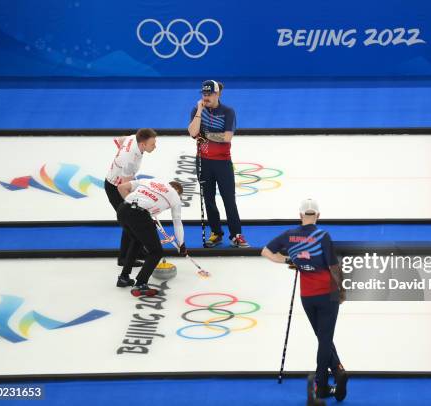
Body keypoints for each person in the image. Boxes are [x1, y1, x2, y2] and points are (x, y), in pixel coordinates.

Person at [261, 199, 348, 405]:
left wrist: (289, 260)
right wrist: (342, 290)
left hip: (307, 296)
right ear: (318, 215)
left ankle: (338, 370)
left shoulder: (289, 235)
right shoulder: (322, 235)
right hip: (327, 293)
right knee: (325, 339)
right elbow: (334, 267)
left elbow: (265, 251)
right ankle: (322, 384)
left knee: (322, 336)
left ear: (300, 215)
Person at [187, 80, 249, 248]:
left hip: (222, 162)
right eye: (204, 94)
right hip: (203, 162)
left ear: (218, 94)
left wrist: (205, 135)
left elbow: (227, 137)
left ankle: (236, 234)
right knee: (208, 200)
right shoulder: (196, 110)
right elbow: (193, 132)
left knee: (229, 199)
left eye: (209, 94)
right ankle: (216, 233)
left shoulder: (228, 112)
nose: (206, 97)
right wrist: (200, 110)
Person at [116, 178, 186, 297]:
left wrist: (137, 210)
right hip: (139, 215)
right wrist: (181, 244)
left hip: (122, 209)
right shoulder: (175, 196)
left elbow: (121, 187)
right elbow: (177, 222)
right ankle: (141, 284)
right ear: (178, 191)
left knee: (137, 241)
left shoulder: (152, 181)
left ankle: (124, 278)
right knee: (156, 252)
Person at [105, 128, 158, 268]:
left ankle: (138, 251)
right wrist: (134, 205)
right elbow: (124, 187)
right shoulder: (130, 160)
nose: (155, 146)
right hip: (116, 188)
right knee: (131, 220)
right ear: (142, 145)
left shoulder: (134, 137)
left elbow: (119, 140)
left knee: (133, 219)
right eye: (152, 144)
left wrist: (118, 158)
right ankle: (124, 258)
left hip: (119, 180)